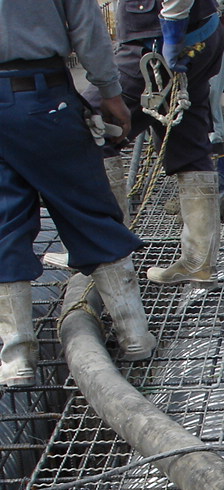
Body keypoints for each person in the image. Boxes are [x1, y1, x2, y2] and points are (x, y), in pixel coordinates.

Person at [0, 0, 157, 385]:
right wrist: (110, 91)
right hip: (41, 99)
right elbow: (86, 26)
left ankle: (16, 357)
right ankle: (134, 335)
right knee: (88, 210)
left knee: (4, 224)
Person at [106, 0, 224, 284]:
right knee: (189, 142)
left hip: (157, 42)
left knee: (93, 129)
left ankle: (104, 252)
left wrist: (172, 32)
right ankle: (200, 262)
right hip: (197, 34)